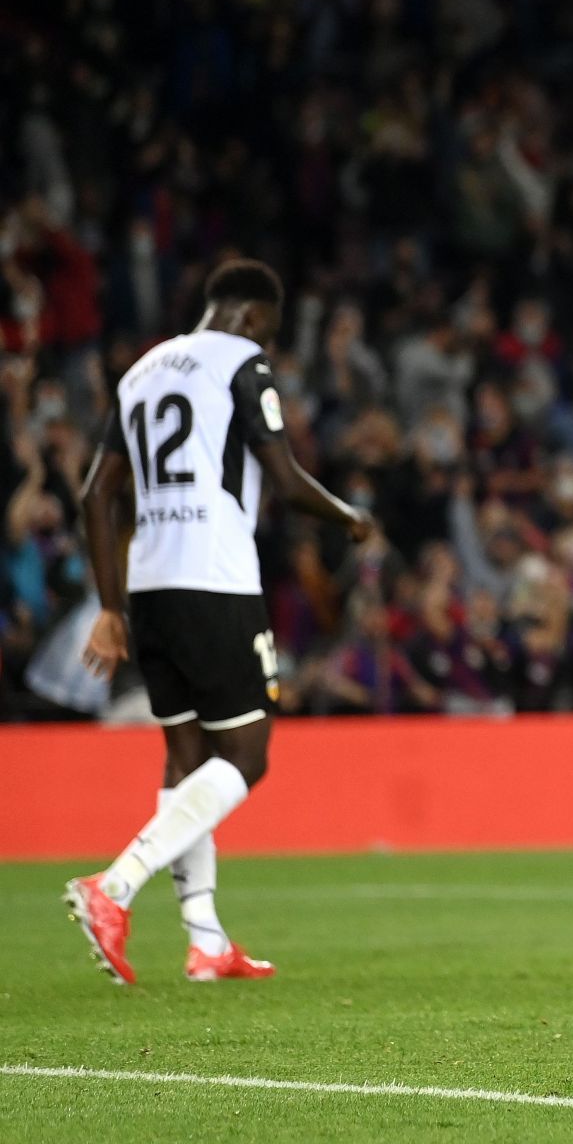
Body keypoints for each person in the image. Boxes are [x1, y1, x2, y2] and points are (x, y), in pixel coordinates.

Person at [64, 258, 375, 985]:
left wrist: (110, 608)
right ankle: (113, 887)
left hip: (150, 587)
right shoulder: (244, 361)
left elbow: (93, 496)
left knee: (185, 760)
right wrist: (349, 517)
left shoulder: (140, 372)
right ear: (250, 316)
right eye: (268, 326)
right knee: (246, 754)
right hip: (216, 581)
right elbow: (288, 477)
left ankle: (205, 939)